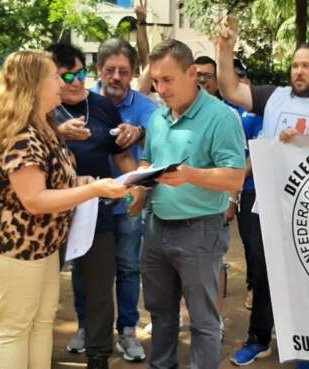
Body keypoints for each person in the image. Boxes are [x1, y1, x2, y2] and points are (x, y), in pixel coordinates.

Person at [0, 50, 128, 369]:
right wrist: (95, 188)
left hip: (42, 246)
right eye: (55, 76)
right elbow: (35, 199)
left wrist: (81, 181)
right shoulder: (20, 134)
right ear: (34, 85)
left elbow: (54, 182)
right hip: (13, 247)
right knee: (15, 329)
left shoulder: (43, 127)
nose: (62, 82)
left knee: (42, 323)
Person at [215, 17, 309, 368]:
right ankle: (258, 340)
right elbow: (230, 89)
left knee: (308, 278)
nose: (299, 71)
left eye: (306, 65)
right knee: (262, 274)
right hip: (266, 202)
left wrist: (302, 146)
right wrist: (225, 48)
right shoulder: (272, 97)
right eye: (295, 65)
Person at [138, 39, 247, 369]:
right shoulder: (157, 118)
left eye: (167, 80)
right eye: (155, 81)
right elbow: (147, 160)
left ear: (191, 74)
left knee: (203, 321)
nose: (160, 88)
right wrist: (136, 189)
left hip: (200, 231)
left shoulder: (221, 118)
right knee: (161, 315)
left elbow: (235, 177)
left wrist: (190, 175)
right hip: (156, 229)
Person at [47, 42, 141, 369]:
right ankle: (35, 351)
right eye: (66, 75)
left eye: (80, 73)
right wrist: (57, 132)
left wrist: (137, 186)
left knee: (100, 286)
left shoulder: (101, 106)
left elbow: (121, 154)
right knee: (44, 288)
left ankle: (98, 355)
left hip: (95, 210)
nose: (74, 81)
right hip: (49, 213)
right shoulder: (40, 108)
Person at [89, 37, 156, 362]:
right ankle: (88, 328)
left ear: (133, 74)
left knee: (129, 268)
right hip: (91, 202)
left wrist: (140, 132)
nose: (116, 77)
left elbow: (158, 134)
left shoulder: (145, 107)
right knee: (86, 269)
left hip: (131, 202)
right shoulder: (83, 102)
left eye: (123, 71)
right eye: (110, 70)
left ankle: (127, 331)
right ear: (99, 70)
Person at [222, 59, 263, 312]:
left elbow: (257, 152)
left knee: (253, 242)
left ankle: (254, 289)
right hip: (221, 189)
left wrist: (236, 181)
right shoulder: (221, 109)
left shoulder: (256, 112)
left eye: (241, 74)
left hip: (251, 188)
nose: (238, 79)